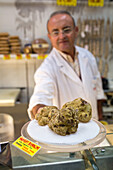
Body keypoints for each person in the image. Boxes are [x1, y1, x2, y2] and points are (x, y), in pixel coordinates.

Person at [28, 10, 105, 120]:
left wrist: (101, 121)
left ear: (76, 30)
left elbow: (97, 91)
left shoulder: (87, 56)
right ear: (49, 37)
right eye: (55, 32)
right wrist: (40, 110)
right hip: (68, 132)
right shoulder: (47, 68)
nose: (62, 36)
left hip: (94, 126)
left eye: (66, 30)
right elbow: (41, 95)